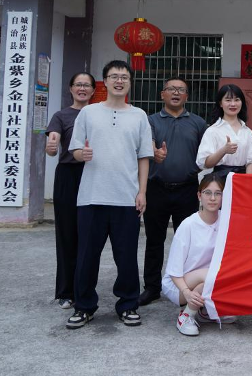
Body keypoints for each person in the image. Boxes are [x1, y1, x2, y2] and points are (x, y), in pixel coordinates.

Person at [66, 60, 153, 329]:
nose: (119, 81)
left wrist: (142, 192)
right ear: (104, 82)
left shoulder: (139, 115)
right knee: (87, 256)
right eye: (114, 76)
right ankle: (84, 306)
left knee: (126, 257)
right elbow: (75, 150)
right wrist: (82, 154)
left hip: (126, 197)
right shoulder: (88, 113)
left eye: (124, 77)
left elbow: (144, 156)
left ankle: (128, 305)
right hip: (91, 196)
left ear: (130, 83)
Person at [138, 76, 208, 307]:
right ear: (163, 94)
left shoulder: (198, 123)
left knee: (188, 243)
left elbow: (206, 154)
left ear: (187, 96)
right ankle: (152, 288)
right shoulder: (150, 121)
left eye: (181, 90)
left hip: (187, 189)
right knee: (154, 240)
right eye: (171, 89)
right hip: (156, 189)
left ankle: (187, 288)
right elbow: (146, 144)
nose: (176, 93)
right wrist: (154, 152)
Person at [45, 72, 96, 310]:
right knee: (67, 234)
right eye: (78, 84)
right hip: (68, 176)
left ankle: (84, 288)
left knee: (90, 235)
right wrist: (51, 146)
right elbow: (53, 142)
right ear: (71, 88)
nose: (82, 88)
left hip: (94, 174)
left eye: (86, 85)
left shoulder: (98, 114)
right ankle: (66, 291)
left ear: (93, 90)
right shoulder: (61, 116)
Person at [163, 173, 235, 336]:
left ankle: (205, 311)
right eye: (207, 193)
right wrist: (186, 293)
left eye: (218, 193)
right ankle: (186, 316)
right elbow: (174, 271)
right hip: (178, 284)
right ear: (199, 196)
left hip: (208, 278)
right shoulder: (188, 225)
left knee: (217, 275)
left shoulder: (226, 221)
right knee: (211, 275)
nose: (212, 198)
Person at [196, 84, 252, 181]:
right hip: (219, 180)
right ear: (220, 103)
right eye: (228, 100)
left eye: (237, 100)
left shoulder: (247, 132)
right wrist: (224, 150)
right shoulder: (212, 130)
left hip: (242, 180)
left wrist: (248, 182)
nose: (233, 104)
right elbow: (205, 163)